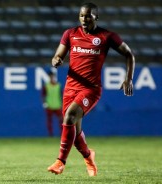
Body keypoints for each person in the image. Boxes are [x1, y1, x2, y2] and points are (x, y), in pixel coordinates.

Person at [47, 2, 135, 176]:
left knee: (69, 116)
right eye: (81, 15)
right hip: (70, 88)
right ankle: (89, 156)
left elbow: (129, 54)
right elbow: (57, 55)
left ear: (96, 17)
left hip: (91, 89)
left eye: (88, 15)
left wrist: (129, 79)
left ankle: (60, 162)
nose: (84, 19)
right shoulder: (70, 34)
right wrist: (56, 60)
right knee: (74, 133)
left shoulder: (106, 36)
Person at [41, 69, 63, 136]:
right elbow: (43, 95)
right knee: (49, 120)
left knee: (61, 120)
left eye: (53, 76)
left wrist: (62, 104)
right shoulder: (46, 86)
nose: (52, 78)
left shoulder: (58, 85)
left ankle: (62, 134)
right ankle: (50, 134)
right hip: (49, 105)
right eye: (50, 76)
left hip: (58, 105)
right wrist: (45, 103)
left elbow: (61, 95)